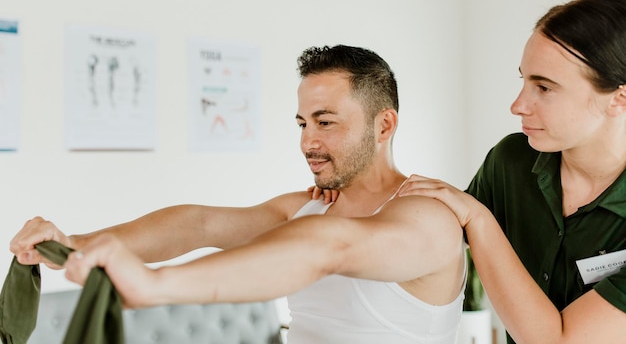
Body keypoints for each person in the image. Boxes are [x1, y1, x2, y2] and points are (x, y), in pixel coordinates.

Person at [10, 45, 466, 344]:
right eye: (302, 123)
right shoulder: (308, 207)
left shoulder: (428, 218)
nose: (308, 142)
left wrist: (155, 285)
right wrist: (74, 246)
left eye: (325, 122)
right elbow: (198, 223)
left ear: (383, 125)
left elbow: (329, 247)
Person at [397, 0, 626, 344]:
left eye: (544, 87)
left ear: (619, 98)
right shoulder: (512, 160)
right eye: (524, 80)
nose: (518, 105)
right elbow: (429, 233)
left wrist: (480, 220)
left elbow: (556, 341)